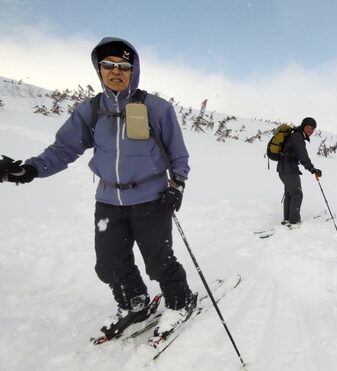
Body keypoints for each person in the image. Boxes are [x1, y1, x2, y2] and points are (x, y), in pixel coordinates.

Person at [0, 37, 196, 340]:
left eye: (123, 66)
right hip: (108, 201)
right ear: (99, 69)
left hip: (151, 199)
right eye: (108, 65)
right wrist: (31, 169)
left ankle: (180, 302)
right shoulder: (90, 111)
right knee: (109, 265)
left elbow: (178, 154)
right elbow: (63, 149)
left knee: (159, 261)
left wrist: (177, 185)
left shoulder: (156, 108)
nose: (116, 71)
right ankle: (135, 304)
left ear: (134, 70)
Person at [276, 117, 322, 225]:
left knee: (289, 193)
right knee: (297, 194)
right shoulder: (297, 137)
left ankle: (288, 219)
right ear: (303, 126)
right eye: (308, 127)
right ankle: (294, 222)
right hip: (289, 169)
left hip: (284, 168)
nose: (310, 130)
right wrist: (312, 169)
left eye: (312, 129)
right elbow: (303, 156)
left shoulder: (295, 135)